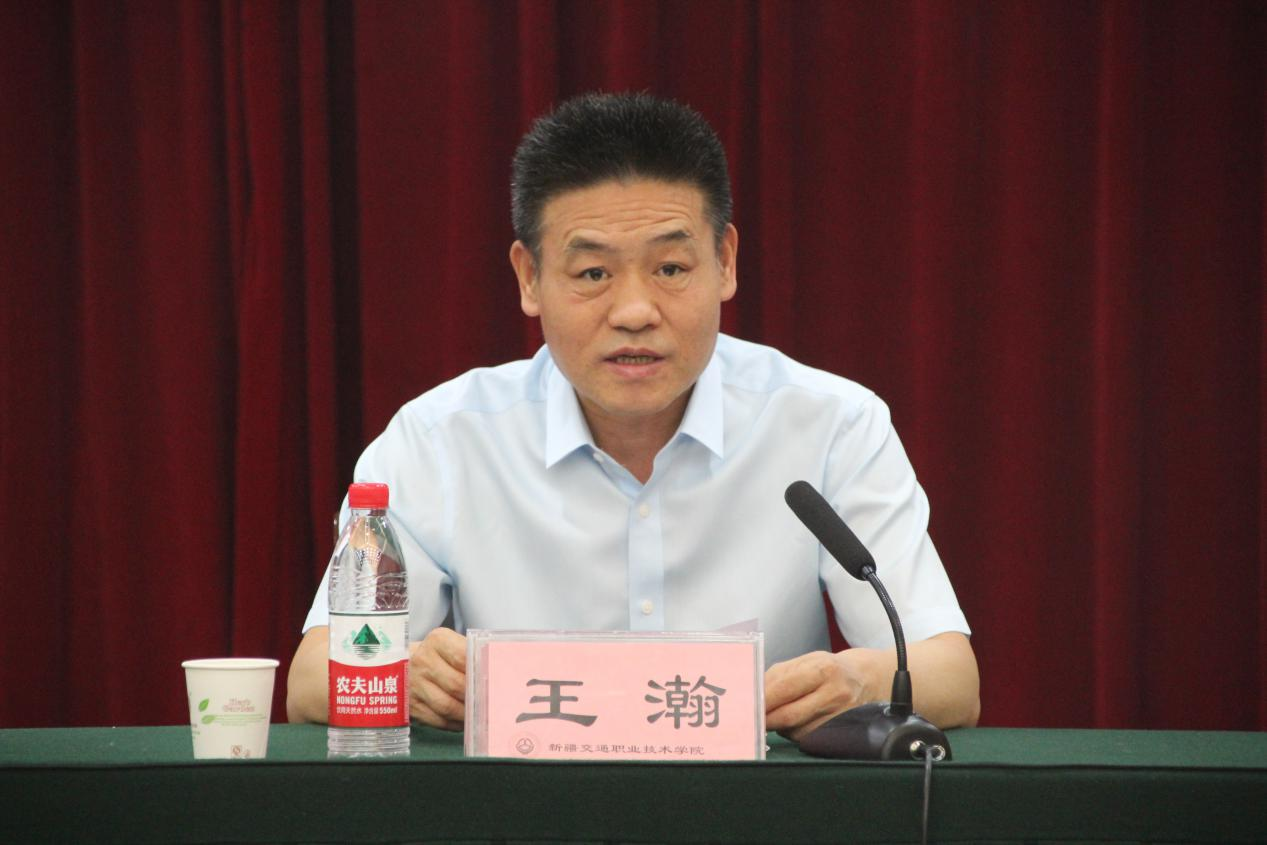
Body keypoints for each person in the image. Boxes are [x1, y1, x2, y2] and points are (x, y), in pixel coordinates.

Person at [287, 92, 980, 740]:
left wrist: (862, 680)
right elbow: (313, 677)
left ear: (725, 262)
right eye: (593, 274)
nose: (635, 311)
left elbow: (951, 675)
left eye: (670, 269)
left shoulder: (831, 424)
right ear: (529, 278)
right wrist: (404, 673)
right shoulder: (439, 439)